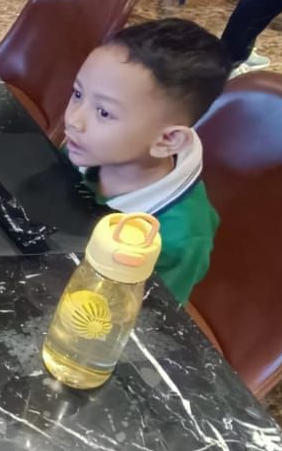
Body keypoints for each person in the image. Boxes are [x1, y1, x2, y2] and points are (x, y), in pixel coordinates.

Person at [64, 18, 231, 304]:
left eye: (104, 113)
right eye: (78, 94)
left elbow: (150, 318)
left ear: (166, 141)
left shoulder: (177, 239)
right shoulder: (88, 149)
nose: (73, 120)